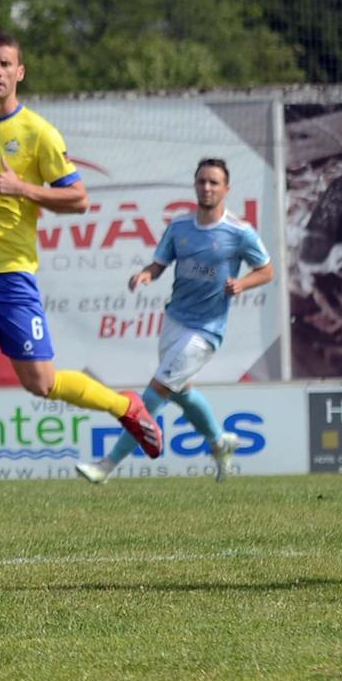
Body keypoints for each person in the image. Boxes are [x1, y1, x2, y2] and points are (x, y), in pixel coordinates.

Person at [0, 32, 162, 497]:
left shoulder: (38, 134)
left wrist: (25, 189)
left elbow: (79, 198)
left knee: (40, 384)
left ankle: (123, 405)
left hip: (10, 278)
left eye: (6, 64)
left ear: (19, 72)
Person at [75, 158, 273, 484]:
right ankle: (219, 442)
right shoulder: (179, 227)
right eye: (202, 182)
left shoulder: (239, 233)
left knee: (154, 394)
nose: (207, 188)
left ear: (226, 188)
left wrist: (242, 284)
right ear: (195, 186)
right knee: (181, 393)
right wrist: (145, 274)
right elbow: (159, 265)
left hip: (206, 331)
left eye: (214, 182)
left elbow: (267, 270)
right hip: (175, 320)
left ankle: (106, 466)